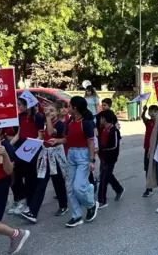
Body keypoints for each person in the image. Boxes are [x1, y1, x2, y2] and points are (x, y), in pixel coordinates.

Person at [20, 102, 69, 223]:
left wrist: (47, 118)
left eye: (52, 111)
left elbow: (52, 133)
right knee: (40, 184)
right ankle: (33, 212)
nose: (49, 113)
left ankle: (63, 205)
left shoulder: (59, 124)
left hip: (55, 157)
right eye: (49, 111)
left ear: (57, 112)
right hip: (45, 156)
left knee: (58, 183)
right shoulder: (48, 123)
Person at [58, 96, 98, 227]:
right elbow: (66, 140)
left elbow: (91, 142)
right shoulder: (69, 122)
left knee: (78, 187)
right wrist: (56, 141)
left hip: (83, 155)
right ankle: (77, 216)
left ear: (75, 108)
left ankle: (91, 204)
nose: (67, 109)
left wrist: (92, 160)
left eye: (69, 106)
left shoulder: (86, 123)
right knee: (69, 188)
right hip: (71, 154)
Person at [8, 98, 44, 215]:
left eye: (19, 104)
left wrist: (30, 146)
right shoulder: (20, 117)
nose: (18, 106)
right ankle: (20, 199)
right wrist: (9, 146)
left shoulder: (38, 117)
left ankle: (29, 203)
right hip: (21, 147)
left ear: (27, 104)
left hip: (32, 149)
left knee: (30, 178)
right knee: (16, 175)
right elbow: (19, 134)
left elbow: (40, 136)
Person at [97, 109, 124, 208]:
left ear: (105, 119)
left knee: (104, 179)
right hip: (103, 157)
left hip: (111, 158)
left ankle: (102, 200)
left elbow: (114, 146)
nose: (100, 120)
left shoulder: (114, 130)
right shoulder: (104, 130)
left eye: (101, 118)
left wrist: (102, 149)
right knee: (107, 176)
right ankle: (119, 189)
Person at [141, 105, 158, 197]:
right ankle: (149, 188)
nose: (151, 113)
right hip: (147, 148)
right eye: (150, 111)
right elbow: (143, 117)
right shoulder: (148, 122)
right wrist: (144, 111)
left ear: (157, 112)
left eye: (154, 111)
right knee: (147, 168)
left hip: (157, 148)